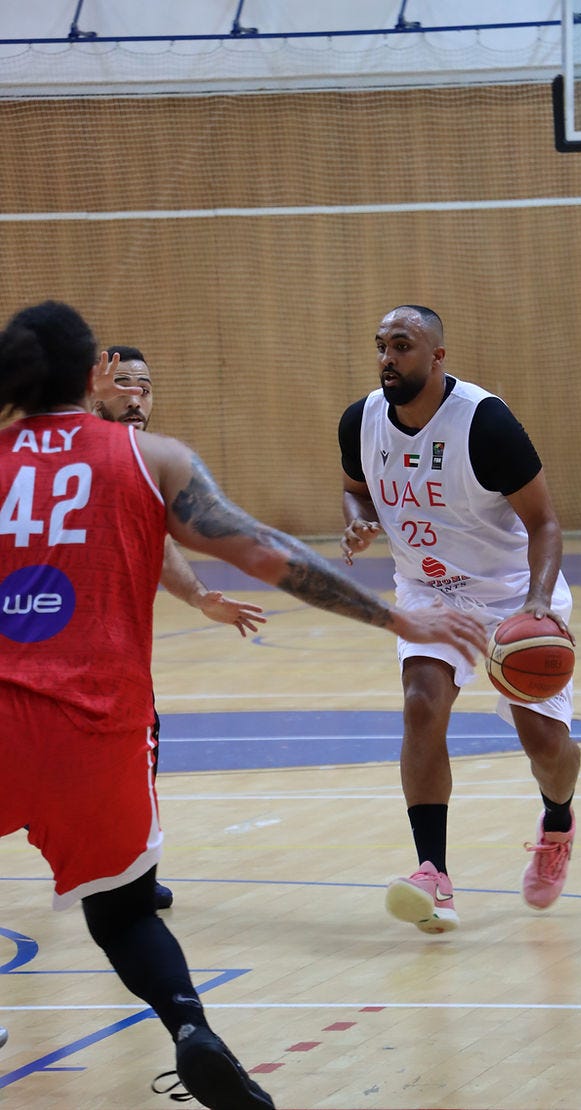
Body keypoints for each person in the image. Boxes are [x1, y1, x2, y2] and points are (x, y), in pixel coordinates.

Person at [0, 300, 486, 1109]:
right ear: (93, 376)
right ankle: (191, 1028)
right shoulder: (152, 459)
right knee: (122, 915)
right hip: (96, 728)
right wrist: (401, 615)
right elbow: (269, 552)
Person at [338, 304, 580, 934]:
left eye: (403, 345)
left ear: (438, 355)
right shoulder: (360, 421)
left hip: (512, 593)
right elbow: (356, 485)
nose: (387, 357)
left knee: (543, 743)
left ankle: (558, 822)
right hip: (427, 590)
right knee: (422, 703)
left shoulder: (485, 423)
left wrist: (537, 603)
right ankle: (433, 875)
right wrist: (357, 517)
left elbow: (546, 522)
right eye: (381, 346)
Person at [93, 345, 267, 911]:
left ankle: (131, 872)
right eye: (124, 384)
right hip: (43, 646)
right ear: (95, 385)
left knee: (135, 747)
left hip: (112, 657)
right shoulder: (69, 455)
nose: (138, 396)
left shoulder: (144, 462)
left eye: (146, 385)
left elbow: (159, 543)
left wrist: (197, 595)